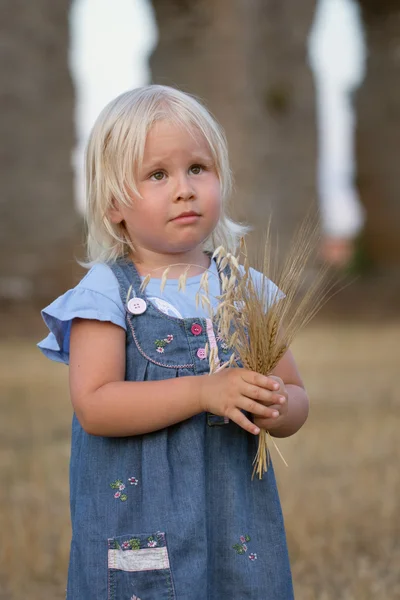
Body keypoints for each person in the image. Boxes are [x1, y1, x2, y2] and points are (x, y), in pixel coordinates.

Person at [38, 85, 309, 599]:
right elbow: (95, 404)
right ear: (116, 202)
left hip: (237, 524)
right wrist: (205, 392)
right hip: (139, 517)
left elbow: (296, 396)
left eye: (198, 169)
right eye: (158, 175)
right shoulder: (107, 293)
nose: (184, 189)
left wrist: (277, 403)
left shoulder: (247, 292)